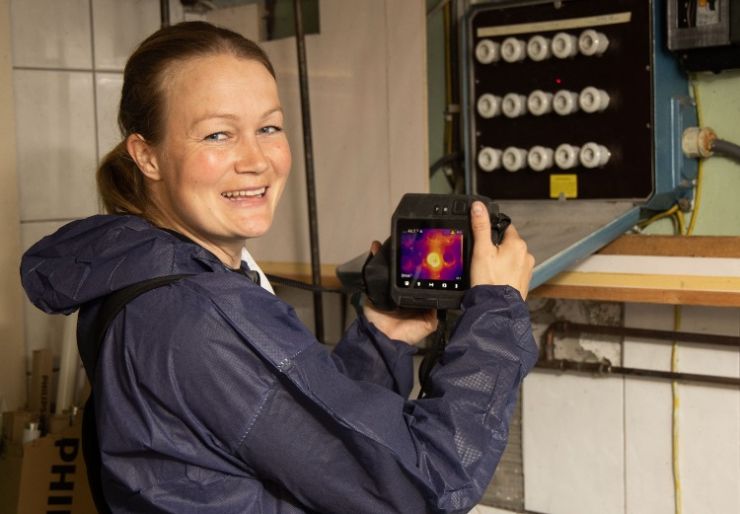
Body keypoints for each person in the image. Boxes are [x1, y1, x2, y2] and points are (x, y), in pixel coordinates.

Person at [21, 21, 537, 514]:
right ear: (147, 156)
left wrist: (382, 336)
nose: (257, 159)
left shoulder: (160, 276)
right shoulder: (200, 317)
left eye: (269, 127)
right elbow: (428, 483)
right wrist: (496, 313)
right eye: (218, 135)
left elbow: (311, 443)